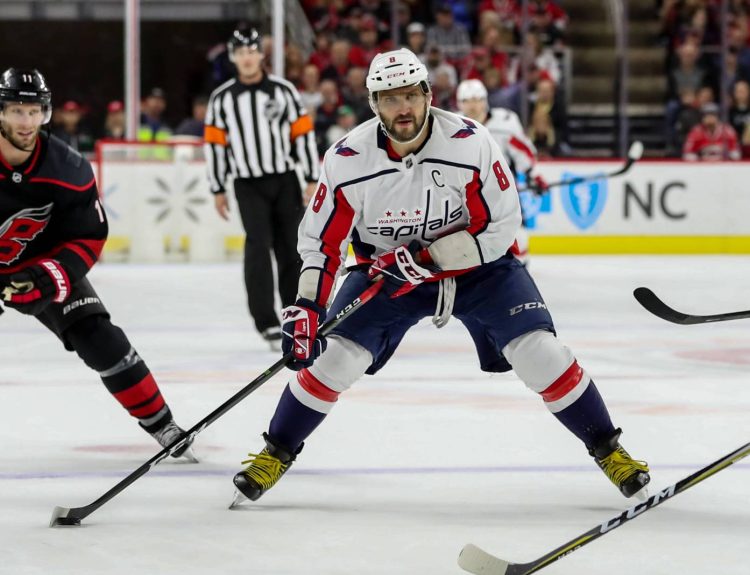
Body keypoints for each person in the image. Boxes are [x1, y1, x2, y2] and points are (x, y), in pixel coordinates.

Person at [230, 48, 650, 505]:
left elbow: (502, 224)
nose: (403, 108)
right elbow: (321, 243)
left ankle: (609, 449)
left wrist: (430, 258)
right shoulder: (347, 159)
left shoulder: (470, 142)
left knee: (540, 354)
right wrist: (309, 305)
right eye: (390, 98)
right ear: (373, 104)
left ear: (429, 95)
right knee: (333, 360)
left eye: (411, 95)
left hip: (480, 273)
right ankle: (276, 452)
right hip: (387, 276)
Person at [0, 68, 195, 460]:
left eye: (34, 111)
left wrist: (50, 278)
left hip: (41, 261)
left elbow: (89, 235)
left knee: (100, 338)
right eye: (17, 110)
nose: (27, 121)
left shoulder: (67, 168)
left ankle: (161, 424)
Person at [204, 28, 319, 349]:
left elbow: (302, 134)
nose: (247, 58)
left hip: (284, 180)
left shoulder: (283, 91)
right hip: (247, 183)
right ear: (233, 57)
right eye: (241, 53)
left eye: (252, 51)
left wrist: (311, 176)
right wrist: (217, 188)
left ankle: (296, 313)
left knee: (290, 248)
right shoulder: (222, 99)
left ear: (261, 55)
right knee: (257, 248)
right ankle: (266, 321)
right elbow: (215, 146)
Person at [456, 79, 548, 264]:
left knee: (517, 234)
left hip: (502, 190)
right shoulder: (451, 126)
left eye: (477, 99)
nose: (473, 105)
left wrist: (533, 175)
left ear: (485, 101)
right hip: (464, 194)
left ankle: (520, 271)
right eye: (467, 101)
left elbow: (523, 151)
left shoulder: (505, 123)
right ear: (459, 104)